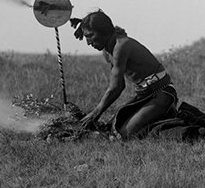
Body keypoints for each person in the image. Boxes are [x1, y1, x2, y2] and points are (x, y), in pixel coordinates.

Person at [70, 10, 178, 139]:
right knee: (112, 127)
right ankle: (166, 115)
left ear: (104, 32)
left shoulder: (121, 46)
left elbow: (115, 88)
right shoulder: (108, 51)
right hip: (144, 96)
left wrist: (95, 113)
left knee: (124, 135)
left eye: (90, 35)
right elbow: (120, 85)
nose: (88, 42)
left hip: (162, 93)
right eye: (86, 36)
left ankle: (174, 118)